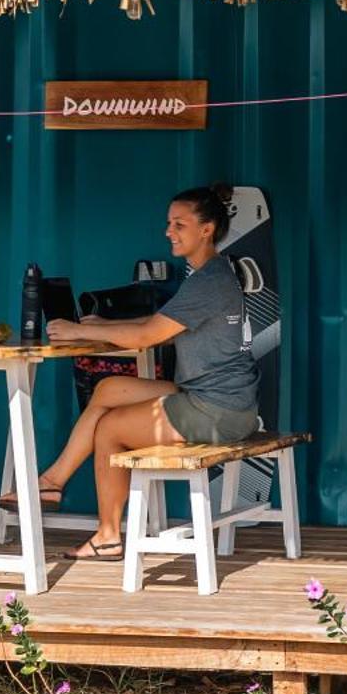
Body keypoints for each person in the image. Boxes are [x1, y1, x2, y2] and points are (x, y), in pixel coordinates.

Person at [19, 184, 261, 560]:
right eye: (169, 223)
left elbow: (148, 336)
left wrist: (79, 330)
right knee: (110, 389)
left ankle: (109, 536)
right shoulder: (206, 275)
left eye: (179, 224)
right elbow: (160, 321)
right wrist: (97, 326)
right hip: (215, 398)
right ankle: (52, 482)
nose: (169, 231)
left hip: (218, 410)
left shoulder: (209, 280)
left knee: (110, 429)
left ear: (207, 229)